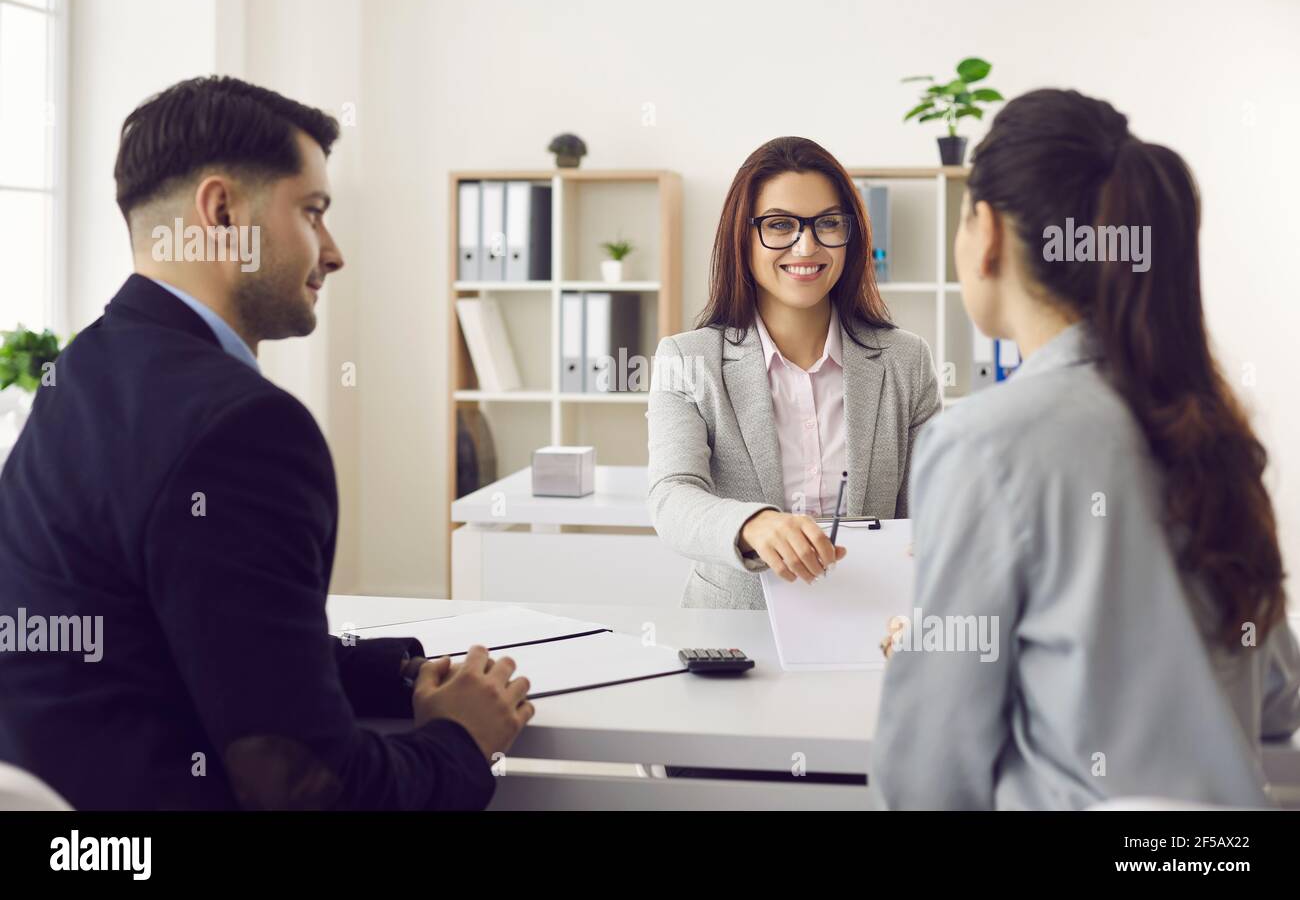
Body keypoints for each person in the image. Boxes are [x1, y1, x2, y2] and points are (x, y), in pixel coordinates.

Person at [0, 76, 533, 810]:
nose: (334, 252)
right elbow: (308, 792)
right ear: (222, 213)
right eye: (313, 212)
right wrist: (462, 740)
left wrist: (395, 675)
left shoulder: (83, 369)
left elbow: (171, 645)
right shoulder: (244, 429)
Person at [869, 88, 1300, 809]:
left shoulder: (981, 442)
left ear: (989, 234)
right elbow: (1279, 696)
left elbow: (925, 784)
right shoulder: (1207, 424)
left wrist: (936, 651)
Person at [648, 136, 941, 609]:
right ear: (741, 237)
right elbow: (671, 497)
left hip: (869, 627)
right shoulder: (687, 360)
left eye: (827, 223)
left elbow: (926, 517)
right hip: (735, 635)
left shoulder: (906, 361)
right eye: (780, 225)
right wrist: (754, 524)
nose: (807, 245)